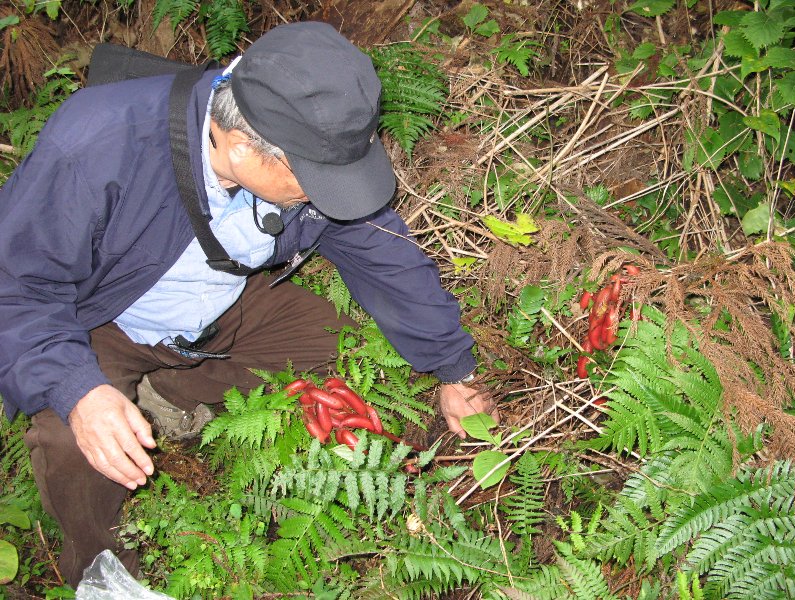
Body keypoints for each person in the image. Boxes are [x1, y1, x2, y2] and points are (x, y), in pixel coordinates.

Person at [0, 21, 497, 586]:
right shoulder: (97, 147)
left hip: (221, 304)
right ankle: (102, 575)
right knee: (77, 443)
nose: (326, 197)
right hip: (106, 319)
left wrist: (454, 368)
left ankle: (167, 392)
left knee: (334, 339)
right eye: (316, 181)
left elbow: (385, 256)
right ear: (241, 147)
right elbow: (15, 286)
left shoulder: (302, 135)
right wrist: (77, 390)